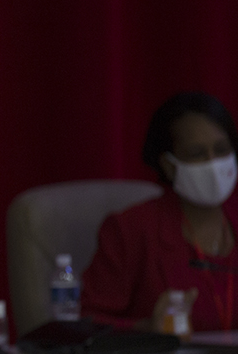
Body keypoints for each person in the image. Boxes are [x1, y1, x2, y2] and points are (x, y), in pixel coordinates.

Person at [81, 91, 238, 332]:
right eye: (197, 154)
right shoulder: (131, 229)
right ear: (169, 165)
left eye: (221, 149)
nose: (212, 163)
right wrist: (147, 329)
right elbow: (87, 322)